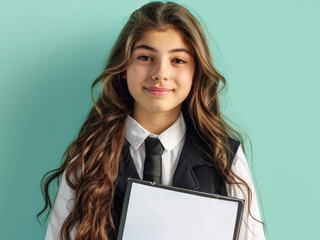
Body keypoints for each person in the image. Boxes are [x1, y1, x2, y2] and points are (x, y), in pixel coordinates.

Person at [38, 1, 265, 240]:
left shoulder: (224, 156)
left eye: (178, 60)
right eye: (145, 57)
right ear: (124, 66)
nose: (160, 73)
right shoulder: (88, 159)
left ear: (196, 72)